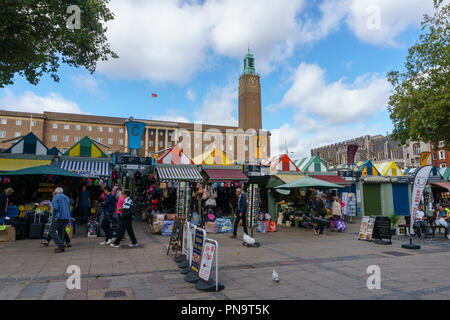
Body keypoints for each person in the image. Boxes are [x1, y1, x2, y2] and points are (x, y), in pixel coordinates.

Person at [50, 187, 71, 253]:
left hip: (59, 217)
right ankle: (61, 248)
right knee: (61, 232)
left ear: (55, 192)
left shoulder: (55, 197)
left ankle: (61, 245)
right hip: (66, 217)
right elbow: (68, 207)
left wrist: (54, 216)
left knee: (52, 231)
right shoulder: (66, 197)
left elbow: (55, 208)